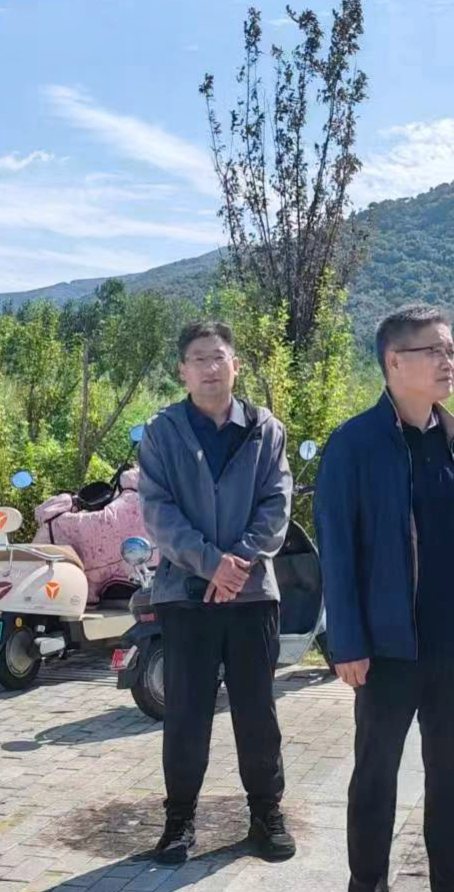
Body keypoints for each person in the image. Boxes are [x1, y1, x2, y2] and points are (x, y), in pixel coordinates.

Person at [314, 304, 454, 892]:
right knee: (376, 777)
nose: (449, 361)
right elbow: (337, 551)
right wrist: (346, 642)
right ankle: (367, 882)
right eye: (435, 351)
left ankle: (453, 880)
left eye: (451, 349)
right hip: (385, 648)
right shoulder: (354, 444)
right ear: (394, 361)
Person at [136, 319, 296, 865]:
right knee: (186, 711)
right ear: (182, 371)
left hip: (252, 595)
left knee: (257, 710)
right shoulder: (162, 432)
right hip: (186, 594)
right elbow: (158, 512)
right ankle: (179, 821)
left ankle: (266, 814)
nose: (210, 367)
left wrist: (238, 565)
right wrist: (210, 565)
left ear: (236, 365)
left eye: (218, 357)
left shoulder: (265, 429)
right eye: (198, 359)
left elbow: (276, 505)